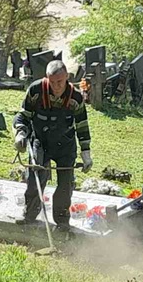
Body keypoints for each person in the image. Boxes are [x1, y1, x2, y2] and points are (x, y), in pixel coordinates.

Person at [13, 59, 93, 229]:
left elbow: (82, 126)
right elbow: (23, 116)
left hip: (65, 145)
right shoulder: (36, 90)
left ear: (67, 78)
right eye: (52, 82)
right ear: (46, 78)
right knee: (34, 180)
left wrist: (86, 153)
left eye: (60, 82)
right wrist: (20, 134)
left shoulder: (76, 97)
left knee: (65, 185)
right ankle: (29, 214)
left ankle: (62, 222)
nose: (56, 86)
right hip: (40, 142)